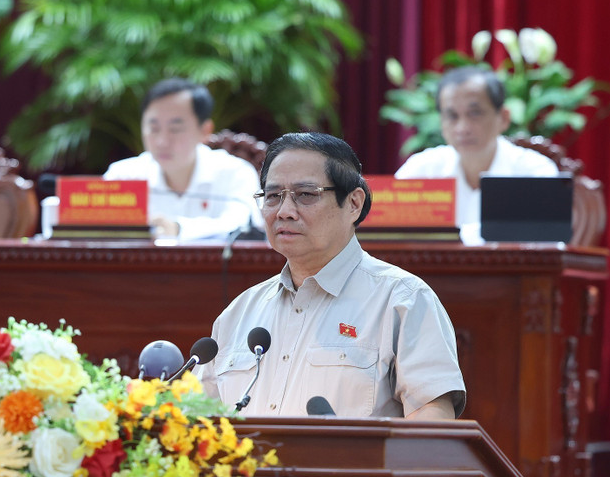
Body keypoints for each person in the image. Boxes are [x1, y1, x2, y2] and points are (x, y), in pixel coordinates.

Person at [195, 132, 466, 419]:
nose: (284, 211)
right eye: (273, 196)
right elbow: (198, 419)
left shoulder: (403, 299)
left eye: (306, 195)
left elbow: (432, 419)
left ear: (353, 203)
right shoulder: (239, 313)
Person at [394, 66, 559, 227]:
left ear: (503, 118)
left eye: (475, 113)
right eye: (452, 116)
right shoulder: (421, 171)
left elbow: (548, 247)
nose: (462, 128)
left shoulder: (535, 174)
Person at [103, 78, 262, 241]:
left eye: (175, 129)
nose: (162, 141)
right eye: (153, 128)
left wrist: (178, 228)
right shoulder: (123, 176)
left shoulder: (235, 173)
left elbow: (244, 225)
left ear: (205, 130)